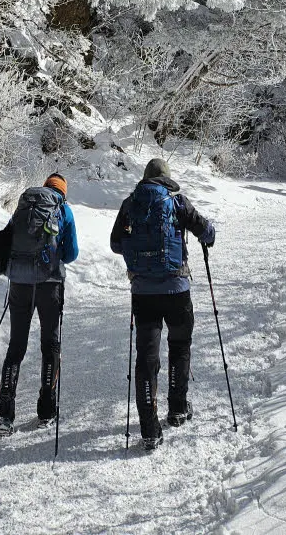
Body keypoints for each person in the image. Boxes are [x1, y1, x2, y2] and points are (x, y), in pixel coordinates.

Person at [110, 157, 215, 451]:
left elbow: (116, 243)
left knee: (146, 358)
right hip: (177, 289)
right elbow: (204, 230)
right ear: (167, 177)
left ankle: (149, 429)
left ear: (145, 178)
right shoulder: (176, 201)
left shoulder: (131, 203)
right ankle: (178, 409)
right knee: (179, 346)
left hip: (143, 293)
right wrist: (208, 237)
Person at [0, 172, 78, 434]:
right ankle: (46, 410)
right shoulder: (63, 210)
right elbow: (72, 254)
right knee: (50, 345)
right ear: (63, 191)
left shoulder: (24, 207)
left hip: (20, 285)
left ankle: (4, 415)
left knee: (16, 346)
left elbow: (9, 240)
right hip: (50, 285)